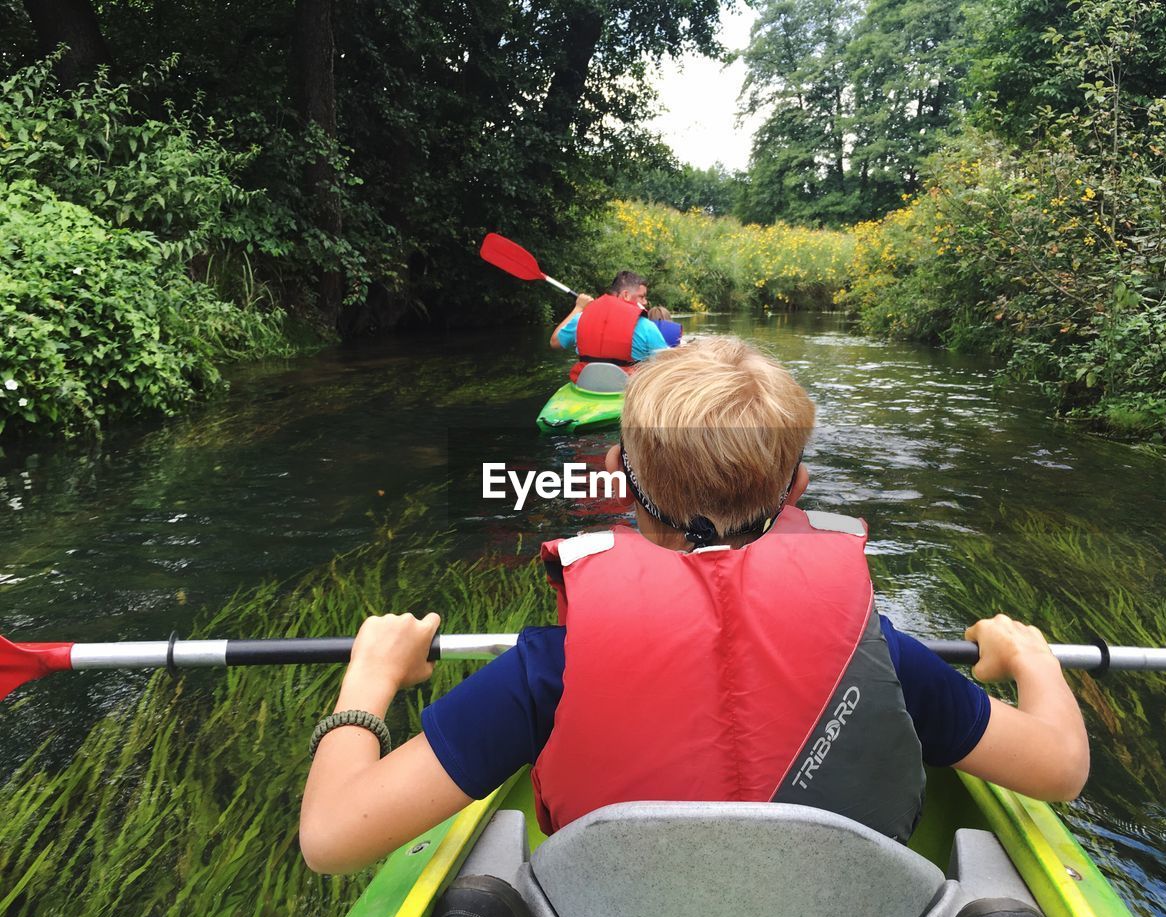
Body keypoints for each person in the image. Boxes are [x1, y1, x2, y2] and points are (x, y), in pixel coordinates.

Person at [299, 337, 1089, 875]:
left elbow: (331, 837)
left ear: (616, 474)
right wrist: (1031, 660)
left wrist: (369, 682)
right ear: (797, 493)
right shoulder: (873, 653)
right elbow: (1060, 768)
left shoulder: (552, 665)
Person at [549, 270, 669, 382]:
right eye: (641, 297)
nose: (645, 302)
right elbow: (666, 367)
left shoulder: (581, 318)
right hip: (627, 390)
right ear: (626, 295)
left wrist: (579, 308)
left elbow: (554, 342)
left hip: (586, 386)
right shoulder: (646, 326)